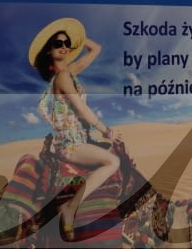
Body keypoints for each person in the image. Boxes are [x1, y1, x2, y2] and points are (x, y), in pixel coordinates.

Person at [29, 17, 120, 242]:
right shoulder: (62, 77)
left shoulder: (70, 72)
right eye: (57, 44)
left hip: (81, 138)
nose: (63, 47)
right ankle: (70, 207)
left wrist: (76, 37)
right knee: (113, 162)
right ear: (49, 51)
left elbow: (96, 49)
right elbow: (81, 109)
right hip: (71, 143)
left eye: (66, 43)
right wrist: (105, 129)